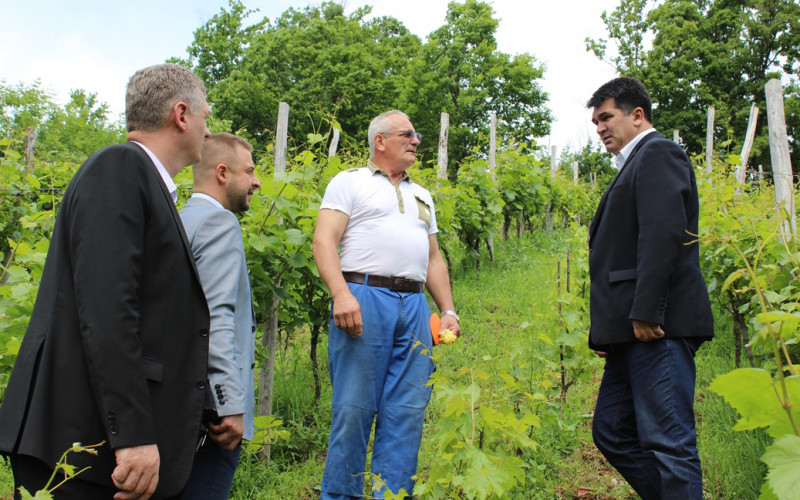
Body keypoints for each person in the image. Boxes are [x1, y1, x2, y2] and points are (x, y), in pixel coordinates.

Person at [0, 63, 212, 500]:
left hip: (99, 448)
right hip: (85, 445)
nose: (208, 132)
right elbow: (107, 310)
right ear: (181, 114)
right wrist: (132, 435)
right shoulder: (119, 168)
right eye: (206, 116)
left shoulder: (145, 182)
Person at [312, 110, 461, 499]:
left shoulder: (421, 194)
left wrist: (447, 310)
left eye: (417, 134)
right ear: (380, 141)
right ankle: (340, 495)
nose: (416, 141)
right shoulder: (350, 183)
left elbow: (433, 259)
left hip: (413, 305)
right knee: (354, 409)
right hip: (363, 297)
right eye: (407, 134)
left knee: (407, 411)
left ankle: (391, 495)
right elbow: (323, 241)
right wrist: (341, 294)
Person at [586, 77, 714, 499]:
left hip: (657, 326)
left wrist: (646, 310)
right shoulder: (633, 164)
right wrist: (611, 329)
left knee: (668, 442)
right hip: (630, 329)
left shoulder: (658, 152)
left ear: (637, 115)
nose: (600, 127)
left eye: (606, 117)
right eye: (595, 121)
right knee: (612, 430)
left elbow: (663, 234)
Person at [178, 133, 260, 499]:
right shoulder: (218, 224)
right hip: (211, 413)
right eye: (251, 171)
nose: (257, 182)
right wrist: (230, 404)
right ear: (223, 173)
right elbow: (217, 317)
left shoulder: (179, 219)